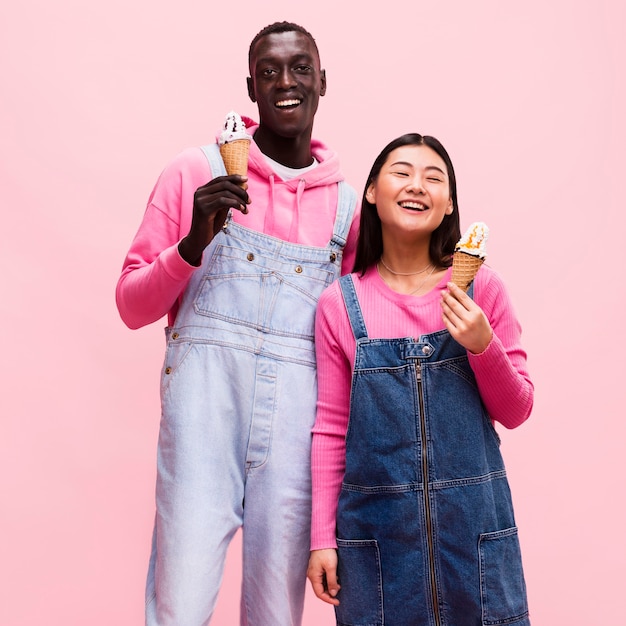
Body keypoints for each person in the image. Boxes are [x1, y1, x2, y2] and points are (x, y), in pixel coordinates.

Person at [115, 21, 359, 625]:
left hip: (298, 432)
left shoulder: (351, 209)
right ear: (250, 87)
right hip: (204, 414)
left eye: (300, 67)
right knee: (180, 601)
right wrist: (192, 246)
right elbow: (130, 305)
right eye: (269, 70)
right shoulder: (192, 172)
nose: (285, 82)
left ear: (323, 82)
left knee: (278, 614)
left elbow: (353, 343)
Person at [306, 133, 533, 625]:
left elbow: (517, 410)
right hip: (377, 545)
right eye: (402, 172)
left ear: (449, 203)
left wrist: (481, 344)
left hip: (473, 536)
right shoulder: (339, 305)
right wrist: (322, 537)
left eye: (434, 179)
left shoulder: (481, 289)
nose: (417, 186)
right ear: (371, 192)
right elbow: (330, 428)